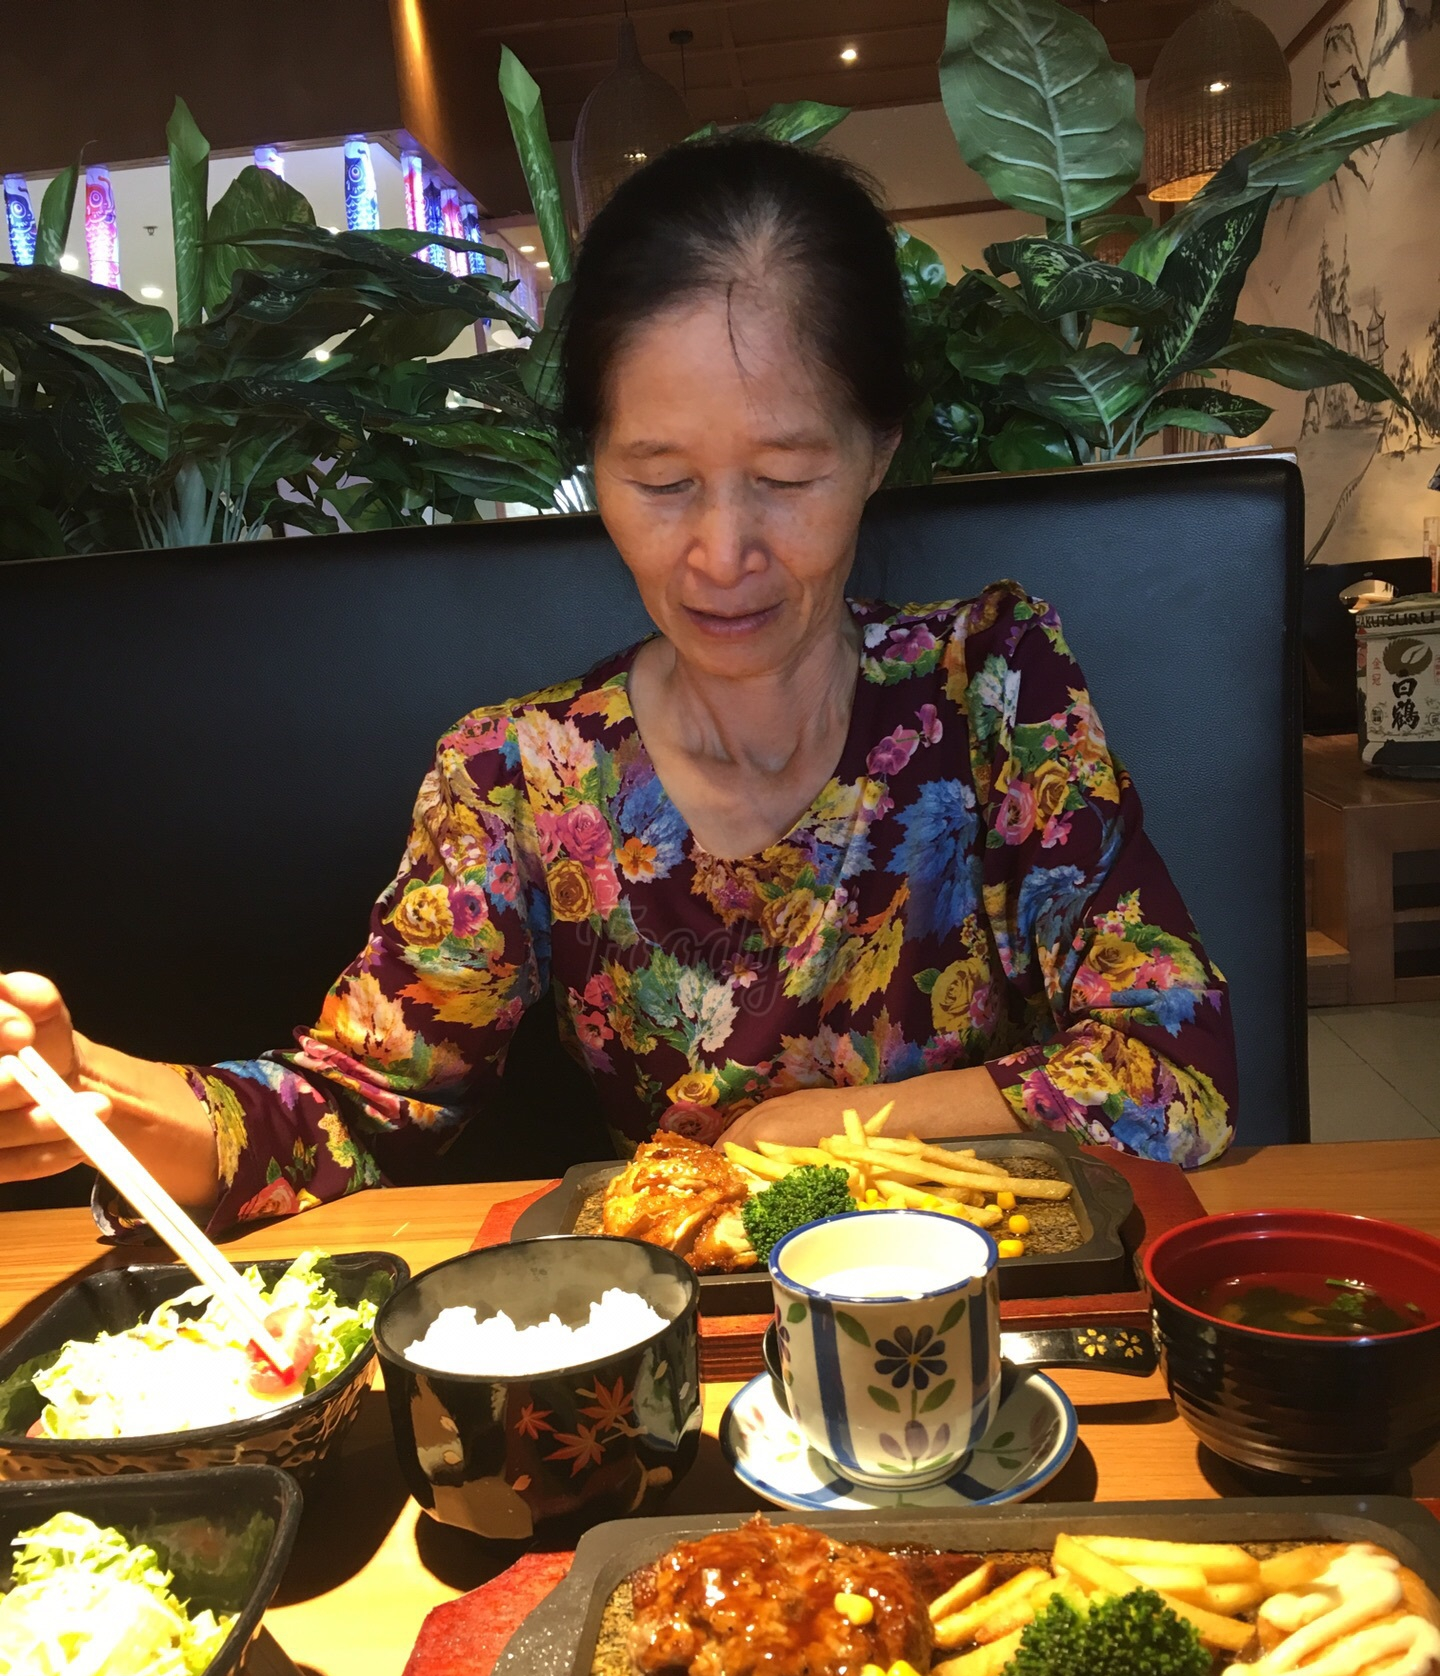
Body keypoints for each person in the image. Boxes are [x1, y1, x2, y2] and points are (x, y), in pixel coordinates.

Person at [0, 137, 1236, 1230]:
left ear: (879, 448)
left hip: (986, 1321)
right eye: (661, 482)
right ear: (593, 465)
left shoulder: (992, 688)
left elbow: (1174, 1068)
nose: (723, 553)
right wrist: (90, 1091)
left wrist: (809, 1130)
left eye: (787, 478)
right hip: (682, 1358)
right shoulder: (521, 779)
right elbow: (356, 1110)